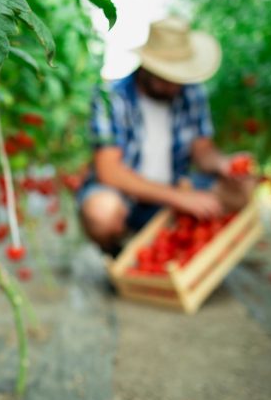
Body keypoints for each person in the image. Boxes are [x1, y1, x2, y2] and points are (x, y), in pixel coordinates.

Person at [78, 17, 255, 256]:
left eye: (179, 77)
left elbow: (203, 151)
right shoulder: (111, 97)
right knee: (101, 212)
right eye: (166, 77)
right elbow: (109, 171)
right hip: (128, 199)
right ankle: (119, 253)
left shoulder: (191, 94)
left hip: (174, 192)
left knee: (244, 188)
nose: (174, 86)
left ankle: (182, 247)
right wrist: (179, 197)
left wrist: (223, 164)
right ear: (147, 67)